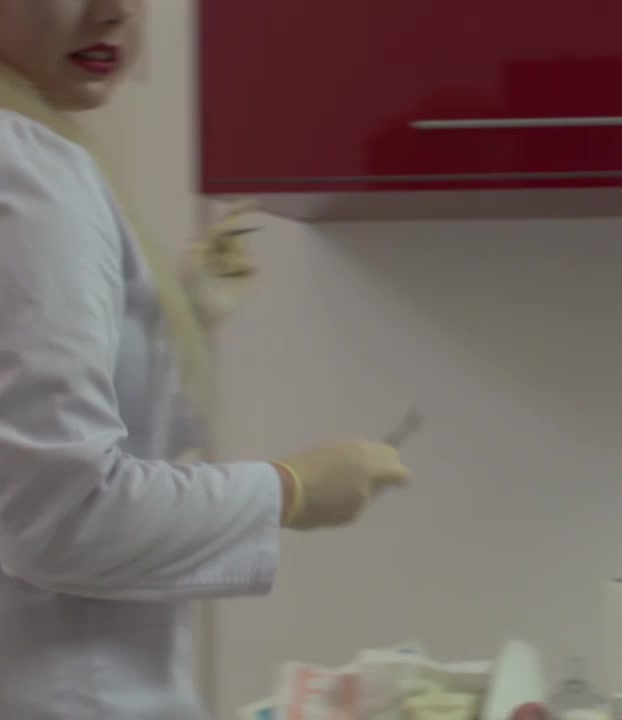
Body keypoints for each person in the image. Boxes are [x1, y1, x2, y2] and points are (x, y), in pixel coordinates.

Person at [0, 1, 413, 717]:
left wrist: (166, 317)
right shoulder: (32, 170)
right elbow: (63, 521)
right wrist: (288, 489)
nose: (113, 10)